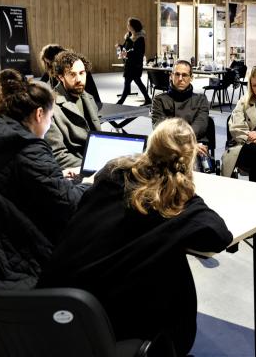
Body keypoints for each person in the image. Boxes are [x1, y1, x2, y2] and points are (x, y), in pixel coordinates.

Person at [37, 118, 233, 356]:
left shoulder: (111, 175)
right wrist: (188, 195)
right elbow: (219, 236)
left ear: (150, 146)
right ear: (188, 159)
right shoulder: (172, 204)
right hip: (106, 326)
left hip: (53, 311)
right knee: (171, 261)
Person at [0, 69, 88, 288]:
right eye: (51, 118)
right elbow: (70, 203)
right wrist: (91, 182)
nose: (49, 124)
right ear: (39, 114)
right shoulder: (27, 147)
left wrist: (55, 175)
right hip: (13, 268)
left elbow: (3, 181)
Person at [151, 59, 213, 172]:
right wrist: (186, 146)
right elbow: (160, 128)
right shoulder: (159, 100)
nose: (180, 79)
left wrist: (187, 146)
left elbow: (201, 126)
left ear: (191, 78)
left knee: (189, 166)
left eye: (184, 75)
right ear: (171, 76)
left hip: (194, 146)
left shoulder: (201, 99)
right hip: (168, 146)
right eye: (177, 74)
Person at [45, 50, 101, 171]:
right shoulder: (50, 107)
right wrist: (94, 167)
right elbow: (58, 155)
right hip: (75, 169)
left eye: (82, 73)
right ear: (60, 77)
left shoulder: (88, 98)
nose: (79, 79)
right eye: (72, 74)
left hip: (95, 160)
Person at [39, 43, 102, 108]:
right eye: (48, 62)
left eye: (49, 62)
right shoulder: (54, 66)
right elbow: (44, 79)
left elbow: (89, 91)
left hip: (86, 103)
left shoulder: (75, 65)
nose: (49, 64)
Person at [116, 17, 151, 105]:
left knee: (128, 83)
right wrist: (120, 46)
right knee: (136, 82)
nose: (127, 26)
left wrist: (127, 54)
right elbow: (125, 47)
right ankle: (148, 99)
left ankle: (120, 102)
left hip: (135, 65)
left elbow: (139, 52)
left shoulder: (140, 38)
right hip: (129, 64)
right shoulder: (128, 36)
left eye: (129, 24)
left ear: (133, 26)